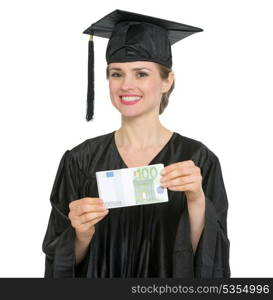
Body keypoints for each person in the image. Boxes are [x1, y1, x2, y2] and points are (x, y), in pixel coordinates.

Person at [42, 9, 230, 278]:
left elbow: (212, 261)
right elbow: (57, 260)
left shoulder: (197, 160)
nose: (126, 85)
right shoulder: (80, 161)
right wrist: (80, 235)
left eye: (141, 74)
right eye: (116, 74)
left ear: (167, 81)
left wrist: (196, 199)